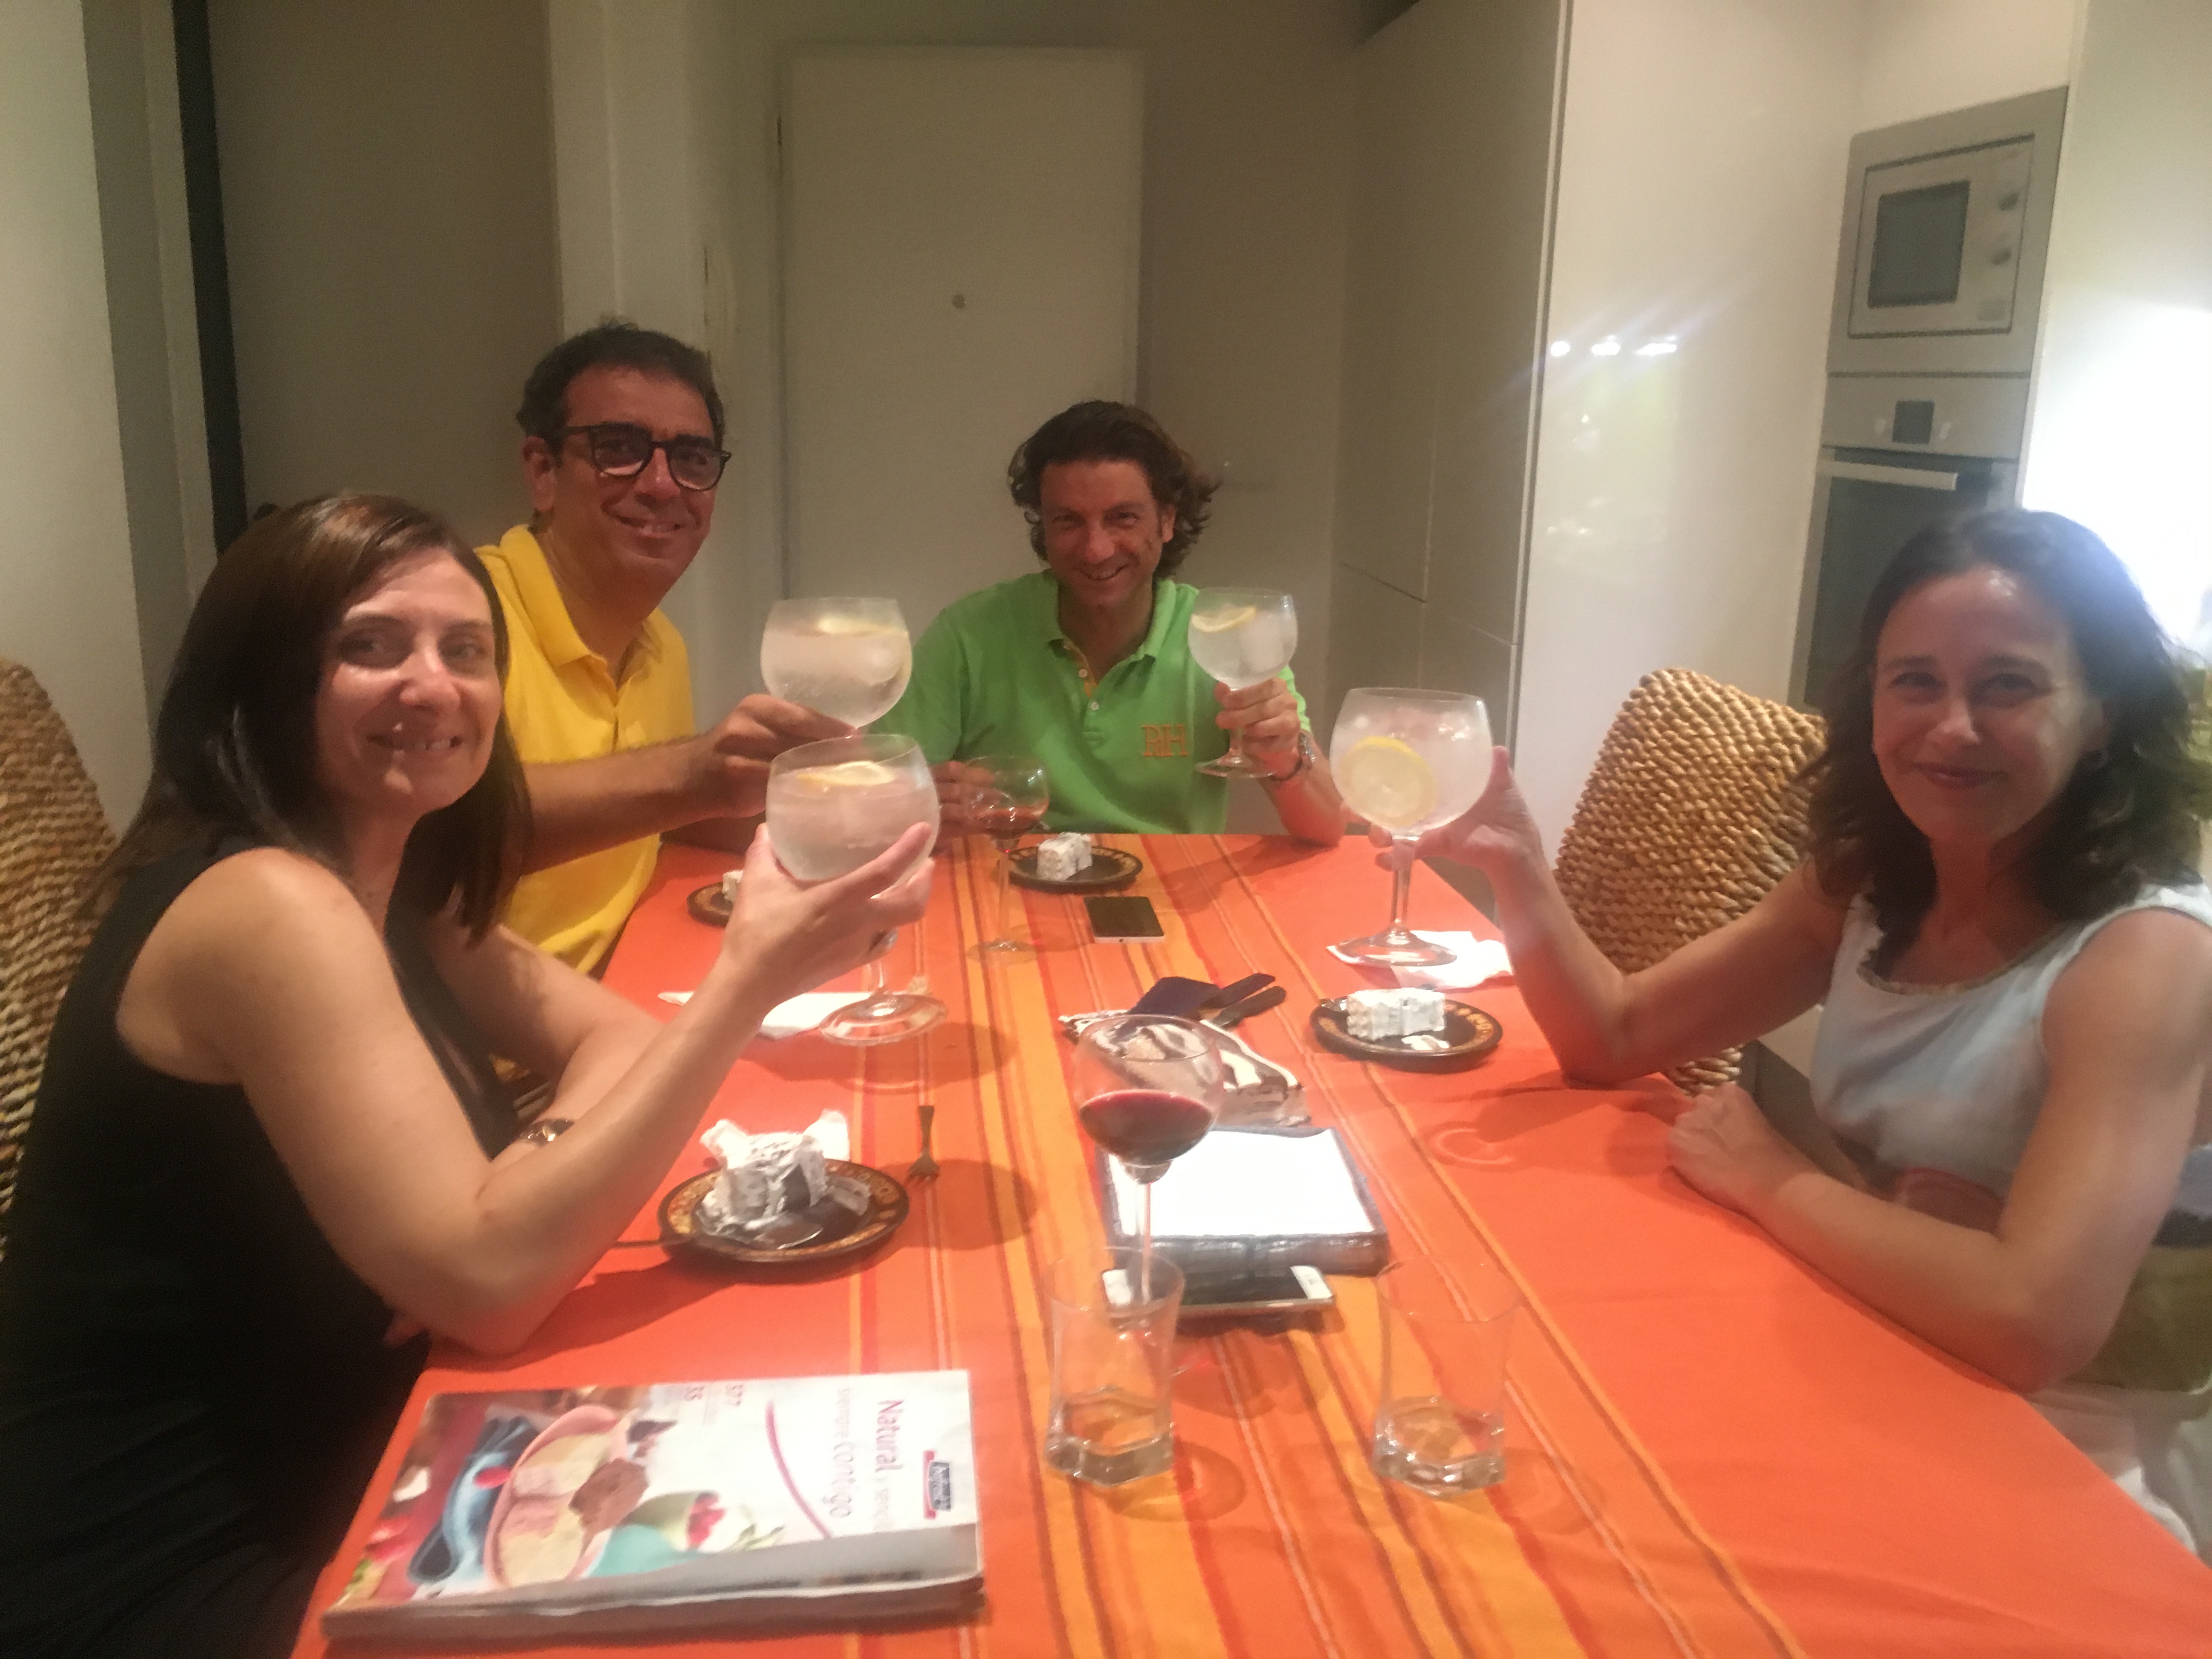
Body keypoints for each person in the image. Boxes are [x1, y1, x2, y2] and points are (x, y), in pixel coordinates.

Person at [0, 495, 929, 1657]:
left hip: (368, 1454)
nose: (434, 685)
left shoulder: (394, 881)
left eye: (466, 650)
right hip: (187, 1561)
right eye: (371, 645)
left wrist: (499, 1187)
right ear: (264, 679)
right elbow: (494, 1289)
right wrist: (745, 980)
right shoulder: (264, 904)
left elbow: (618, 1042)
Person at [1412, 509, 2212, 1555]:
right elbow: (1616, 1033)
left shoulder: (2146, 955)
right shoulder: (1871, 883)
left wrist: (1772, 1179)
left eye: (2007, 684)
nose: (1951, 726)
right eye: (1914, 680)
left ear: (2101, 713)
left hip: (2073, 1459)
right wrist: (1516, 860)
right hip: (1881, 1348)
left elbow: (2034, 1320)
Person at [487, 321, 850, 972]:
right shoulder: (459, 620)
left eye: (692, 460)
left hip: (626, 983)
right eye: (618, 448)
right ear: (543, 470)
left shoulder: (661, 645)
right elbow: (437, 830)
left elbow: (651, 817)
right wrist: (691, 772)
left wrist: (842, 810)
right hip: (481, 1032)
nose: (661, 485)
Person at [874, 400, 1344, 844]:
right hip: (1009, 881)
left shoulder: (1224, 637)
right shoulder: (969, 633)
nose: (1096, 549)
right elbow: (876, 803)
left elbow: (1327, 827)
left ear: (1166, 521)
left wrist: (1285, 757)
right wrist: (919, 805)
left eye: (1122, 518)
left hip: (1167, 893)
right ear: (1043, 527)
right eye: (1068, 521)